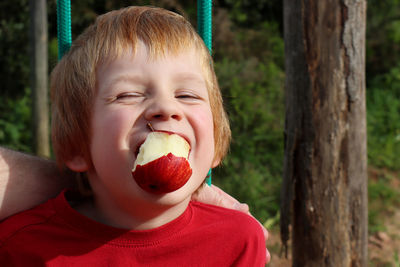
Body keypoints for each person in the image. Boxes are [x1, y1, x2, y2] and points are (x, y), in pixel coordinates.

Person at [0, 6, 268, 265]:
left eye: (187, 95)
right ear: (76, 148)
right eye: (128, 95)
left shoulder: (238, 240)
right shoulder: (22, 247)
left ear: (216, 145)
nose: (166, 108)